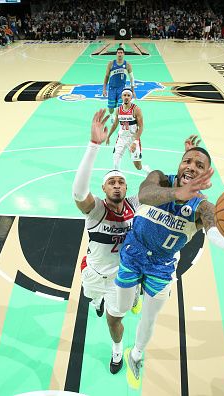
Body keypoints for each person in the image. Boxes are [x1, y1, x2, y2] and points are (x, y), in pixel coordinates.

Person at [114, 143, 224, 389]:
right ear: (180, 164)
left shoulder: (204, 208)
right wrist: (177, 194)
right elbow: (146, 194)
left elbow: (214, 235)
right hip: (132, 253)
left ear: (206, 174)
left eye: (199, 165)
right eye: (187, 161)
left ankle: (135, 355)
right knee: (123, 306)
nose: (191, 166)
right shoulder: (159, 179)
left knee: (149, 319)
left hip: (161, 265)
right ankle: (135, 294)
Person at [72, 109, 142, 375]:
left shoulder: (135, 204)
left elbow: (159, 192)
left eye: (120, 182)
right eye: (111, 182)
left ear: (126, 189)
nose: (116, 185)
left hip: (121, 280)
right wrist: (93, 146)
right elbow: (78, 192)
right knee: (92, 298)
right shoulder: (97, 209)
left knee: (114, 321)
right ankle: (97, 301)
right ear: (104, 188)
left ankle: (116, 351)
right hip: (92, 272)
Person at [105, 88, 151, 173]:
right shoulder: (118, 110)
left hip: (132, 138)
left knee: (138, 166)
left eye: (128, 95)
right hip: (121, 138)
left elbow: (141, 127)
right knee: (116, 161)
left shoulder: (136, 109)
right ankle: (117, 178)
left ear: (131, 97)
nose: (126, 97)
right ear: (121, 97)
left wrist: (135, 142)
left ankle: (146, 169)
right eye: (124, 95)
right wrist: (108, 136)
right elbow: (115, 124)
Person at [102, 47, 135, 125]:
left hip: (121, 89)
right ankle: (111, 116)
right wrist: (104, 89)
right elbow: (106, 76)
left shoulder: (127, 65)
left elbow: (132, 78)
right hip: (112, 88)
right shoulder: (110, 64)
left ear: (124, 54)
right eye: (118, 52)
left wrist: (133, 91)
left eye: (121, 52)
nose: (120, 54)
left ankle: (120, 119)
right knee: (111, 107)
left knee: (121, 106)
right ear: (116, 54)